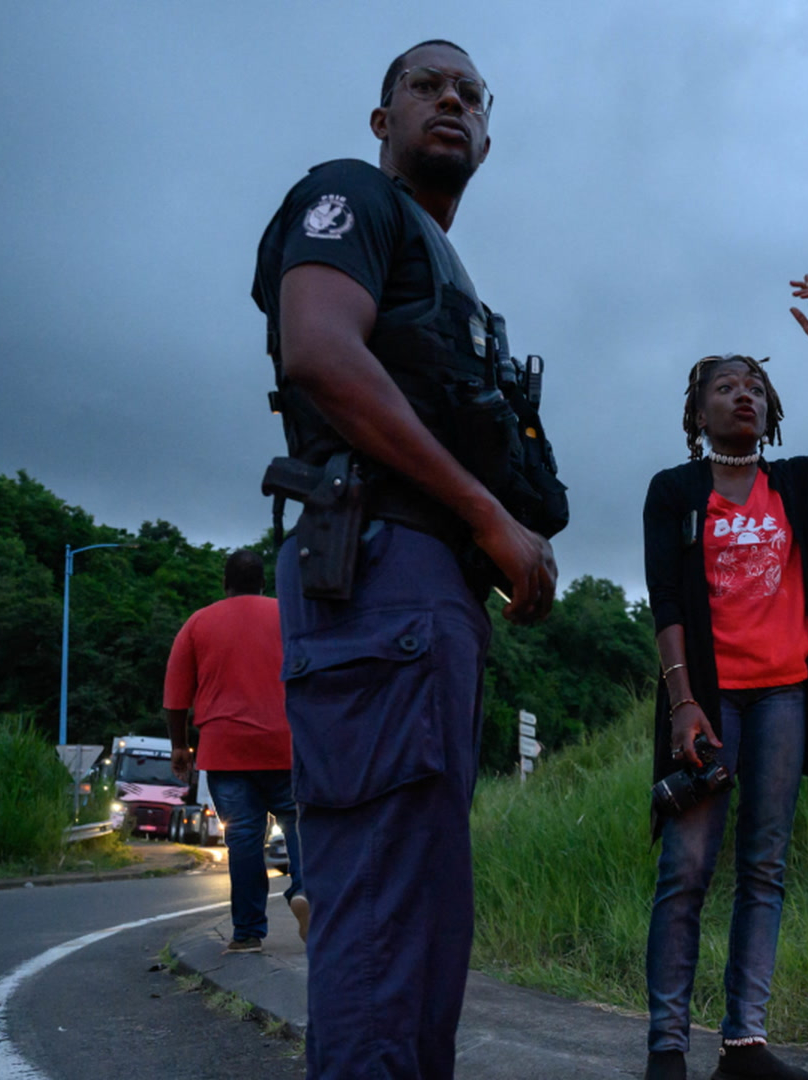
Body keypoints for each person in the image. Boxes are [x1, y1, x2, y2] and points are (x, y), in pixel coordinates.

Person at [250, 38, 564, 1079]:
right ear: (380, 118)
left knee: (425, 921)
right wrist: (487, 517)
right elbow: (320, 351)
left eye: (472, 93)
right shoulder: (352, 199)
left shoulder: (458, 282)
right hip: (380, 567)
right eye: (426, 85)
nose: (452, 101)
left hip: (427, 598)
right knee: (385, 915)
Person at [640, 277, 808, 1080]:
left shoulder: (798, 485)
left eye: (756, 386)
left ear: (771, 410)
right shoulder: (674, 492)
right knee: (687, 871)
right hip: (707, 706)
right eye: (725, 385)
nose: (744, 393)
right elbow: (666, 600)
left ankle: (744, 1044)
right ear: (696, 411)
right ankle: (667, 1047)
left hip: (784, 699)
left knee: (764, 868)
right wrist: (682, 703)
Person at [163, 549, 305, 950]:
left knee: (243, 838)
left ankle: (247, 934)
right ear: (264, 583)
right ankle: (305, 892)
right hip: (288, 745)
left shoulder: (199, 622)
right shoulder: (291, 617)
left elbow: (175, 697)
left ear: (225, 583)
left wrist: (180, 747)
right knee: (300, 826)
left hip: (226, 750)